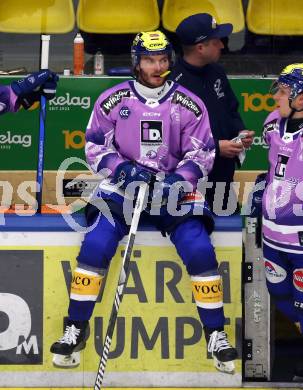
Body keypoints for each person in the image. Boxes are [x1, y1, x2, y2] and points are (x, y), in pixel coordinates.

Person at [50, 30, 237, 373]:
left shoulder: (188, 102)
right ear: (137, 62)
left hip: (172, 188)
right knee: (96, 243)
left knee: (198, 247)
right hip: (123, 188)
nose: (158, 66)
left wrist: (179, 181)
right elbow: (94, 145)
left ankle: (215, 334)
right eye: (151, 60)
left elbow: (204, 151)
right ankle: (75, 327)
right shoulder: (113, 98)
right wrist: (122, 171)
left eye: (164, 60)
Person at [169, 13, 254, 213]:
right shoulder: (173, 84)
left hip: (223, 179)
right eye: (216, 42)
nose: (223, 46)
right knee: (196, 237)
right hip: (189, 186)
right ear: (201, 48)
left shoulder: (217, 71)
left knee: (231, 238)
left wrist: (240, 133)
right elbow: (171, 139)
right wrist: (215, 148)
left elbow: (231, 110)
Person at [249, 63, 303, 379]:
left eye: (283, 92)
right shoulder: (272, 125)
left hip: (299, 237)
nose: (276, 99)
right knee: (280, 294)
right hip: (273, 235)